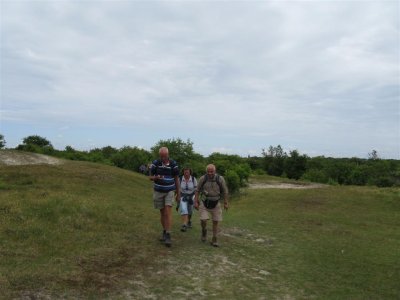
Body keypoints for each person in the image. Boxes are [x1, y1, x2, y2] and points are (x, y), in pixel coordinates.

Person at [149, 147, 180, 247]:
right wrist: (155, 177)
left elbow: (176, 178)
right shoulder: (155, 163)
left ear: (168, 154)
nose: (163, 158)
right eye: (161, 156)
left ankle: (168, 234)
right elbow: (150, 177)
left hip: (169, 191)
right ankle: (165, 230)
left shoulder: (173, 164)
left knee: (167, 212)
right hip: (158, 191)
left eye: (165, 156)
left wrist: (178, 193)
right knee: (162, 214)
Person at [194, 164, 229, 247]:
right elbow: (197, 190)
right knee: (203, 220)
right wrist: (196, 201)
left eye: (212, 171)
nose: (210, 173)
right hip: (204, 201)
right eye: (208, 171)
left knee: (216, 221)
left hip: (216, 202)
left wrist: (226, 202)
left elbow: (225, 191)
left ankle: (214, 239)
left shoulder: (220, 179)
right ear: (206, 171)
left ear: (215, 171)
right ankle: (204, 231)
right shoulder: (203, 178)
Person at [177, 167, 197, 232]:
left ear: (190, 172)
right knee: (183, 209)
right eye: (185, 172)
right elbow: (178, 189)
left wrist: (196, 199)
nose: (186, 173)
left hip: (191, 196)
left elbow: (196, 190)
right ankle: (184, 225)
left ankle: (189, 221)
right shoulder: (179, 179)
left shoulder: (194, 179)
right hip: (183, 196)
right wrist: (178, 196)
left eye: (187, 172)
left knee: (190, 210)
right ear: (183, 172)